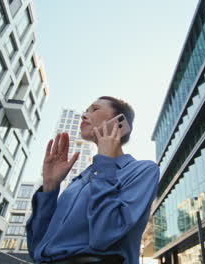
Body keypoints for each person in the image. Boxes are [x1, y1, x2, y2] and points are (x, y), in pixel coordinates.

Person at [26, 96, 159, 264]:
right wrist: (50, 187)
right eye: (85, 111)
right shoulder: (77, 182)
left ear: (120, 122)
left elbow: (105, 235)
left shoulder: (143, 170)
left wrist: (105, 163)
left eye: (94, 109)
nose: (84, 115)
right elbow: (36, 247)